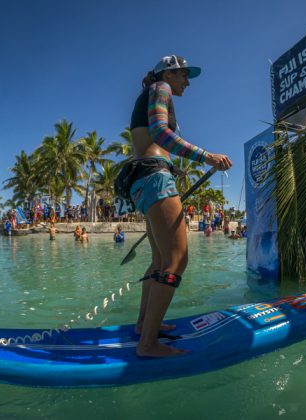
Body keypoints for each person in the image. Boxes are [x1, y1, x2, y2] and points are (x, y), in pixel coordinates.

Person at [126, 54, 232, 357]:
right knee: (176, 261)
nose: (187, 81)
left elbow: (151, 138)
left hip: (144, 177)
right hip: (154, 178)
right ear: (168, 74)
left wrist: (176, 168)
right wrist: (206, 156)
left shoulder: (151, 93)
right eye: (184, 75)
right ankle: (147, 344)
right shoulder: (161, 89)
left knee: (160, 260)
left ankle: (144, 325)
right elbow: (160, 133)